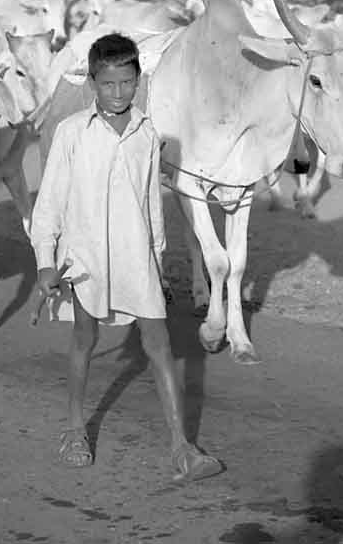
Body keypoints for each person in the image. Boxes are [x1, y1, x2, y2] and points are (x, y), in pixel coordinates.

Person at [30, 32, 224, 484]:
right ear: (93, 83)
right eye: (107, 84)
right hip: (87, 257)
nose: (117, 93)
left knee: (161, 347)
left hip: (137, 259)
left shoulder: (147, 134)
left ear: (138, 82)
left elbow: (152, 205)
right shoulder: (72, 132)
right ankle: (75, 428)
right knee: (84, 340)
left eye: (126, 83)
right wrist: (45, 262)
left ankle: (182, 447)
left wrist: (157, 260)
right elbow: (50, 203)